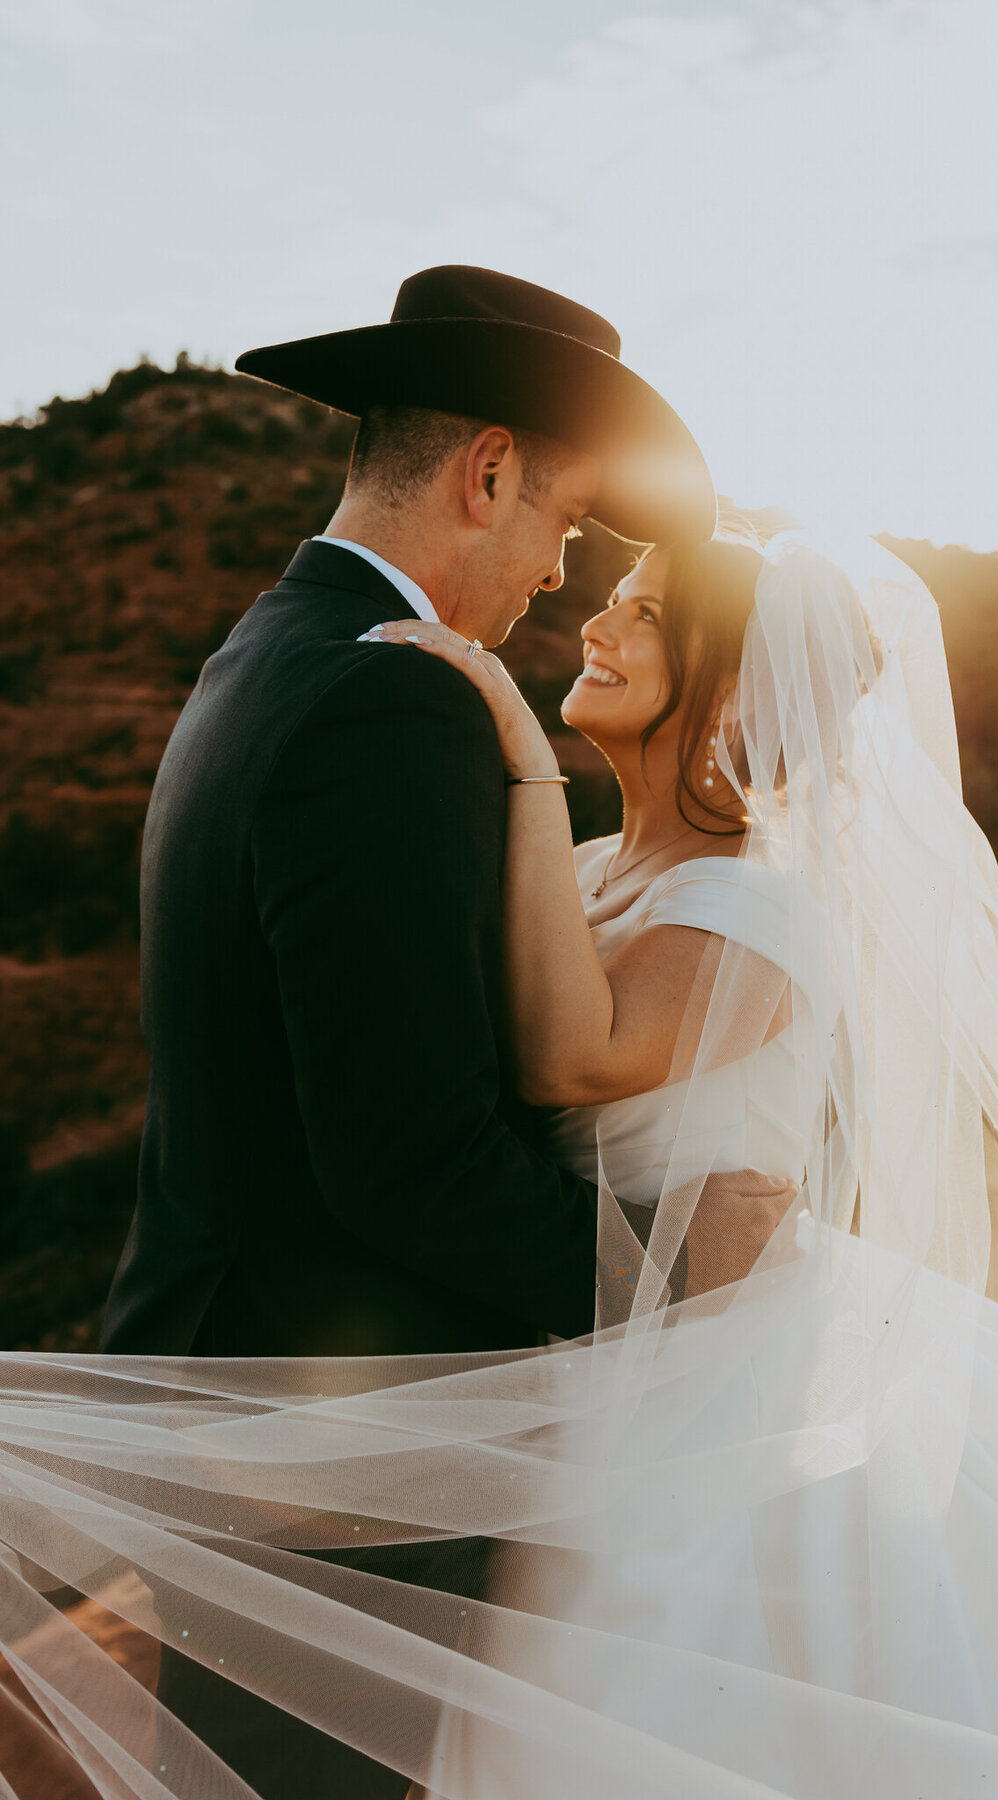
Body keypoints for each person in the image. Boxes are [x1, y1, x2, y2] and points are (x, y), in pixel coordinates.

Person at [91, 267, 790, 1798]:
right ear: (487, 473)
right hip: (326, 1451)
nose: (557, 576)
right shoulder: (385, 707)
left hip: (253, 1406)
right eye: (561, 523)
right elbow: (409, 1162)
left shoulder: (264, 654)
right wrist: (669, 1259)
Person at [361, 520, 998, 1796]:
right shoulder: (591, 870)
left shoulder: (764, 897)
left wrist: (516, 747)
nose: (597, 623)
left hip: (728, 1382)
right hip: (603, 1347)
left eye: (644, 612)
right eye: (615, 599)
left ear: (735, 688)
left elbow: (572, 1062)